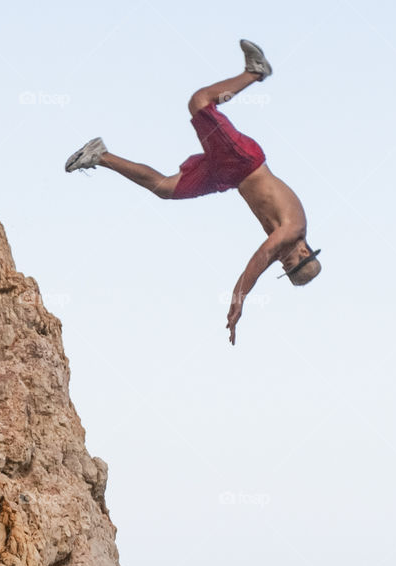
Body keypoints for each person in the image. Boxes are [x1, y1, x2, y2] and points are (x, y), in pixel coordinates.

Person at [65, 39, 321, 345]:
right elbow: (261, 256)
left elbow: (264, 261)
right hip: (244, 161)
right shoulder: (294, 229)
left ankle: (100, 155)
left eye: (286, 268)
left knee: (166, 188)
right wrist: (239, 298)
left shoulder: (287, 242)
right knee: (200, 102)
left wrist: (242, 295)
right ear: (304, 251)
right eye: (290, 262)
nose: (283, 262)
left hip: (228, 177)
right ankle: (255, 72)